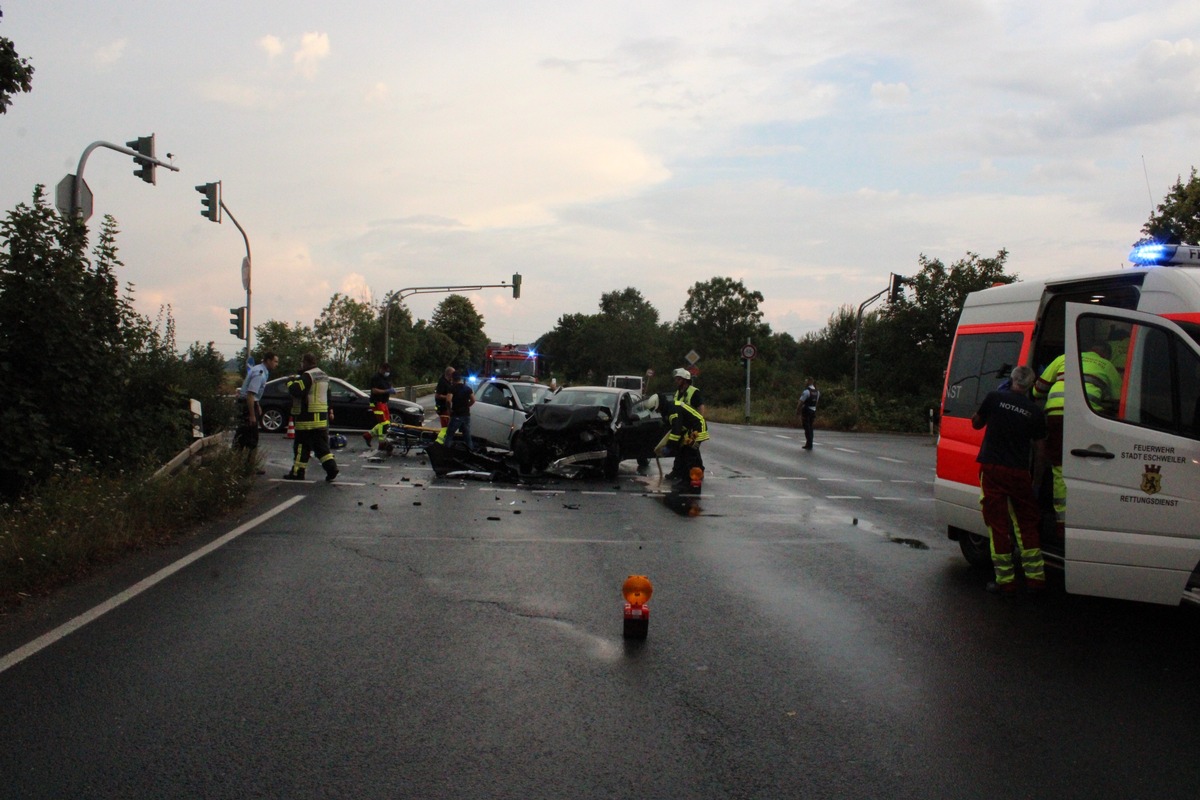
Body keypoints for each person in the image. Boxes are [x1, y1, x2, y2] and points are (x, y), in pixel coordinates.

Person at [972, 365, 1048, 595]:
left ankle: (1005, 581)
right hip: (1019, 473)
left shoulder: (995, 398)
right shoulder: (1035, 412)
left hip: (993, 469)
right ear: (1031, 385)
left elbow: (976, 423)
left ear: (1012, 380)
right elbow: (1041, 450)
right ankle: (1036, 580)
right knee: (1026, 525)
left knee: (998, 525)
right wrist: (1035, 481)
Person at [1031, 342, 1121, 532]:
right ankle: (1084, 519)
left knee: (1059, 467)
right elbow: (1120, 401)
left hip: (1056, 415)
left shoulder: (1064, 358)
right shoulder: (1108, 366)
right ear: (1105, 355)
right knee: (1089, 466)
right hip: (1087, 418)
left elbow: (1037, 390)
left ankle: (1061, 520)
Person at [283, 353, 339, 482]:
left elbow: (297, 390)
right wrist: (330, 410)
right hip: (320, 418)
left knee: (301, 446)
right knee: (321, 447)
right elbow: (328, 396)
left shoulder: (307, 376)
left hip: (306, 418)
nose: (301, 364)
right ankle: (331, 468)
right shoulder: (324, 376)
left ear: (307, 362)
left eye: (302, 362)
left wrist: (290, 382)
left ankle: (297, 472)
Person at [233, 351, 279, 472]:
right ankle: (250, 466)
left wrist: (257, 404)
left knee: (242, 435)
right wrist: (252, 414)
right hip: (247, 406)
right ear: (268, 360)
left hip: (249, 404)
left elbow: (253, 395)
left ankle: (235, 463)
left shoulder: (261, 370)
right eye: (275, 361)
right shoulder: (259, 373)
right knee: (252, 437)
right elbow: (250, 395)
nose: (276, 364)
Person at [666, 368, 708, 484]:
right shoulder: (678, 392)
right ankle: (678, 471)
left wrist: (699, 422)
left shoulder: (694, 392)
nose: (676, 381)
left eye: (678, 379)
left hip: (694, 427)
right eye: (676, 379)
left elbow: (701, 407)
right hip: (684, 428)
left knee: (691, 450)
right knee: (683, 449)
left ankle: (696, 472)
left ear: (685, 380)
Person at [363, 362, 395, 448]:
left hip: (384, 402)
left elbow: (388, 386)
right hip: (377, 402)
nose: (387, 373)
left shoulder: (386, 378)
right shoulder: (375, 378)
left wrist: (391, 389)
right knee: (383, 423)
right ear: (382, 369)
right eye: (386, 371)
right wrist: (386, 391)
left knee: (387, 422)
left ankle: (368, 435)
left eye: (388, 371)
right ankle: (382, 443)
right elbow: (374, 390)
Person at [444, 370, 475, 451]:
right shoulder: (468, 389)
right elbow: (473, 400)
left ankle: (445, 452)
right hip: (466, 415)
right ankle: (471, 452)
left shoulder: (452, 388)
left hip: (456, 415)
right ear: (460, 379)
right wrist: (467, 406)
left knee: (449, 435)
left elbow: (448, 400)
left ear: (452, 378)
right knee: (467, 436)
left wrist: (449, 410)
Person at [796, 378, 820, 450]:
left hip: (806, 411)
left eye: (806, 381)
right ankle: (810, 442)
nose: (805, 383)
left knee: (807, 427)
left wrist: (797, 411)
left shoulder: (806, 392)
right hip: (813, 410)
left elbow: (801, 402)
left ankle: (809, 444)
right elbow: (816, 402)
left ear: (809, 382)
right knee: (810, 427)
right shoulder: (817, 392)